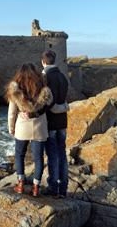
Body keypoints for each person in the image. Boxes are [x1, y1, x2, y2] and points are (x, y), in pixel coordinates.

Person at [6, 63, 53, 197]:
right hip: (40, 127)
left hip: (22, 127)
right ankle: (36, 187)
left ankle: (20, 184)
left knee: (19, 154)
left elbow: (11, 112)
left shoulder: (16, 90)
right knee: (38, 158)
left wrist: (11, 128)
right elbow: (50, 102)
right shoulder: (42, 88)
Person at [41, 50, 69, 198]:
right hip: (63, 121)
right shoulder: (63, 77)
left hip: (50, 122)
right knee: (62, 155)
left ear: (43, 62)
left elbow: (45, 101)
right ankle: (63, 189)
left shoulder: (45, 77)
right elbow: (63, 98)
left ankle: (53, 188)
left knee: (52, 155)